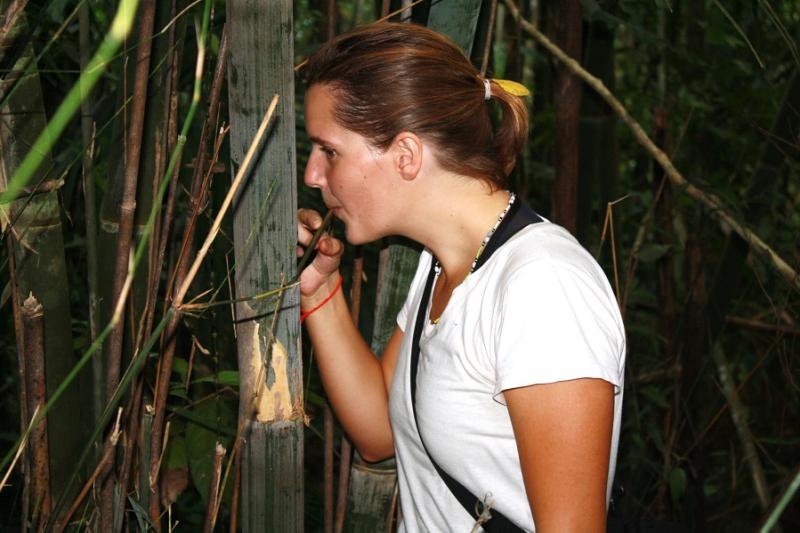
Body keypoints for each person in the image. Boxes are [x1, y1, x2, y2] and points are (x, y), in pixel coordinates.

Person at [296, 22, 625, 532]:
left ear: (405, 155)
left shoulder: (544, 287)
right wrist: (320, 290)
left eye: (330, 151)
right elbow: (382, 429)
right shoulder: (441, 265)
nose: (312, 175)